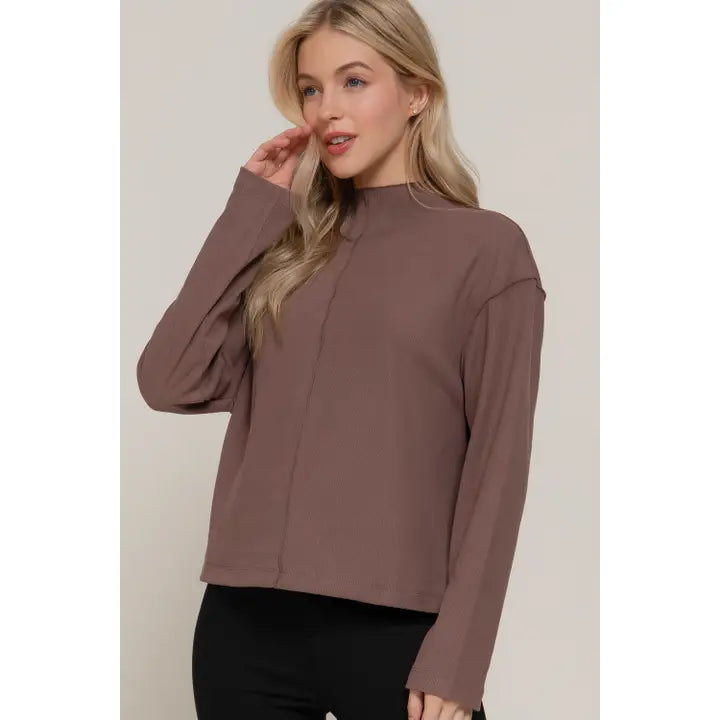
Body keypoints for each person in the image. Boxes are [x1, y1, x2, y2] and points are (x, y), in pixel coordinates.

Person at [136, 1, 546, 719]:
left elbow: (498, 466)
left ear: (417, 93)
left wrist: (460, 658)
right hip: (246, 628)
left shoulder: (487, 250)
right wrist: (251, 209)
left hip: (397, 634)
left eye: (354, 81)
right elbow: (168, 379)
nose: (327, 108)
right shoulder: (287, 245)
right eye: (311, 88)